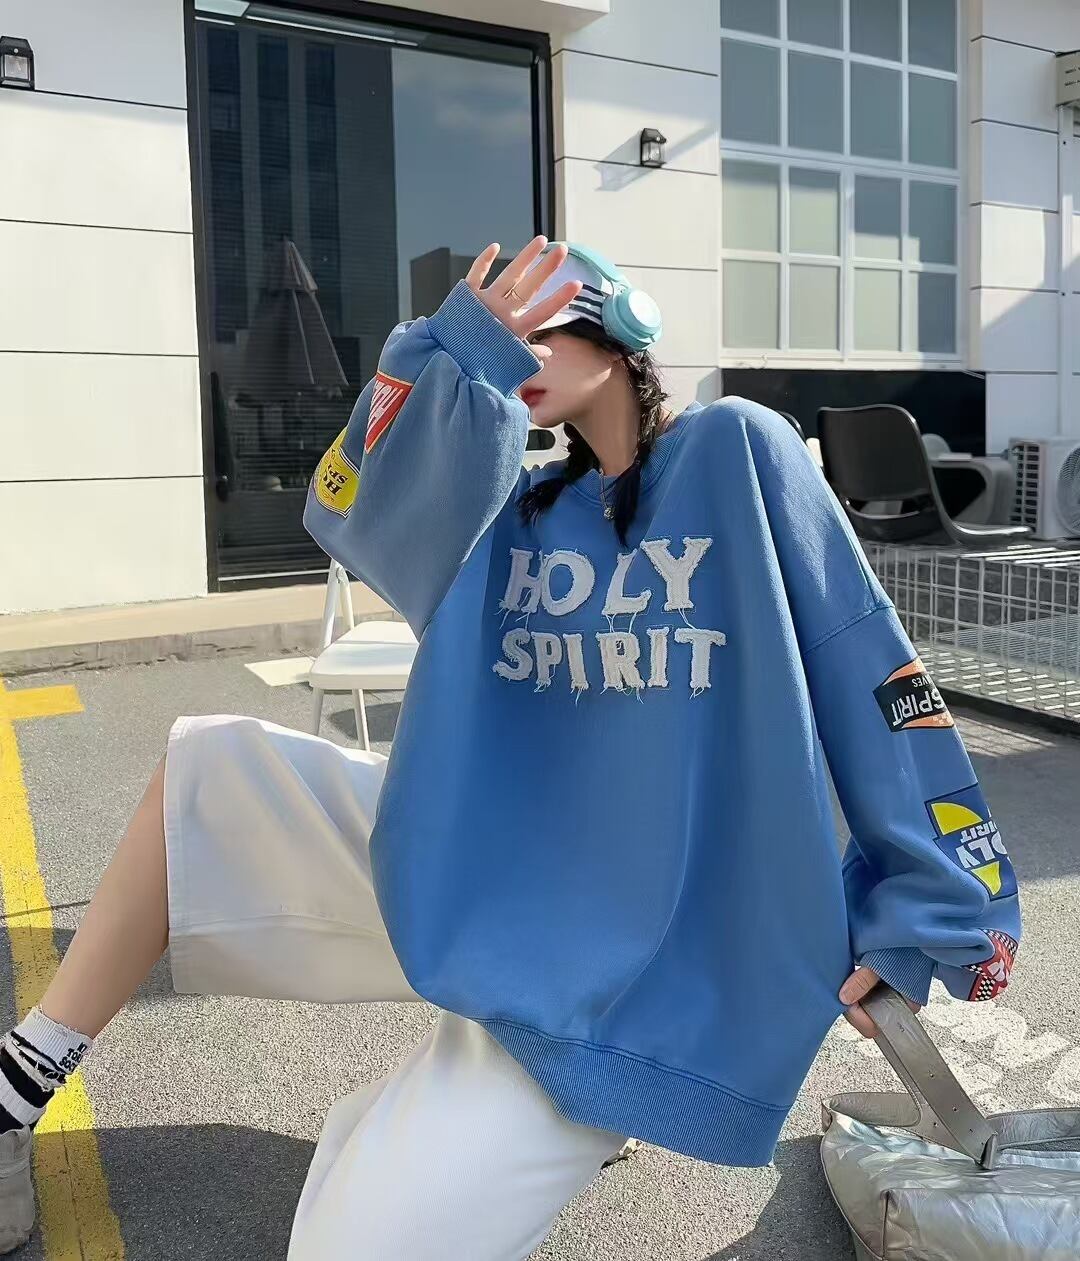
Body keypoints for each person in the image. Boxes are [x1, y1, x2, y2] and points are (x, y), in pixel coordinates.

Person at [0, 238, 1021, 1257]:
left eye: (538, 330)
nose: (515, 352)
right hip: (480, 878)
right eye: (502, 334)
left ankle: (482, 1109)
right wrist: (452, 351)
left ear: (620, 337)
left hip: (624, 974)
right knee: (212, 770)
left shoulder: (736, 452)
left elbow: (869, 662)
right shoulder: (508, 504)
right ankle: (21, 1080)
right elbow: (347, 503)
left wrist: (932, 903)